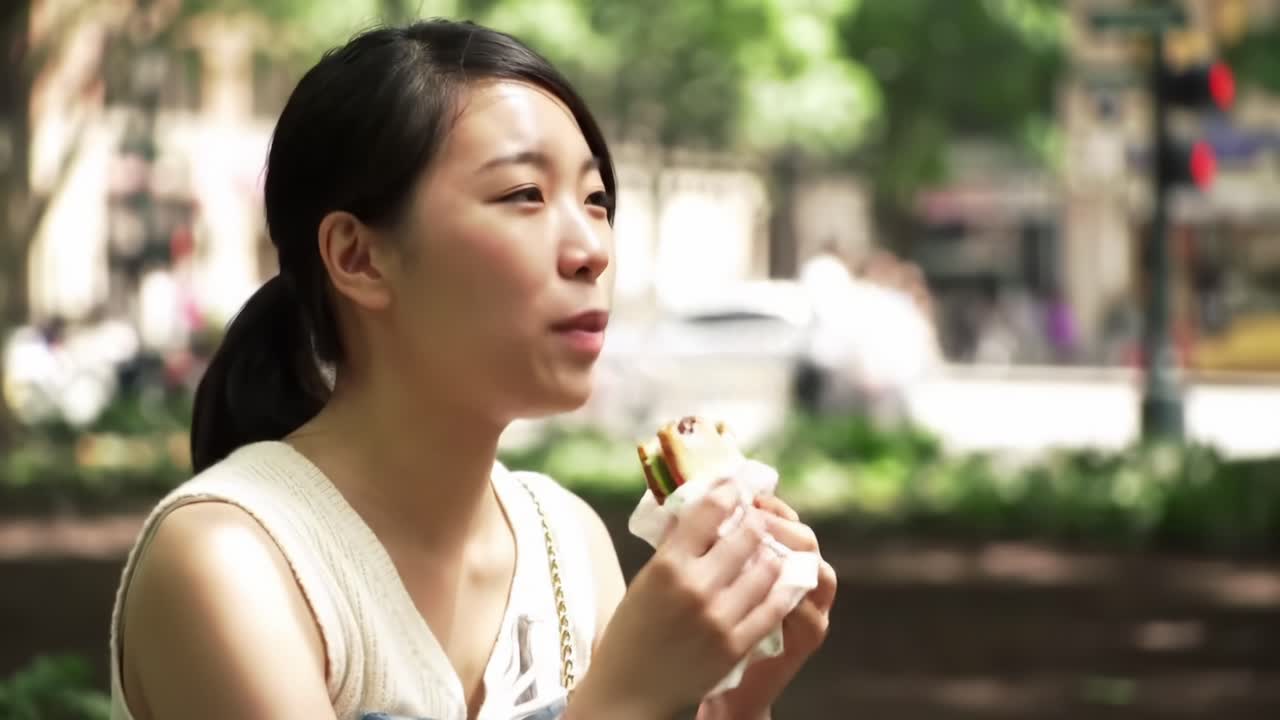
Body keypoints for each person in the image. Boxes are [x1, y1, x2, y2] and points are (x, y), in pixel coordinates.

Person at [107, 18, 836, 720]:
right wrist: (626, 698)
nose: (591, 249)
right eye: (525, 195)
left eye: (596, 200)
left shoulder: (566, 546)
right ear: (358, 257)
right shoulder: (228, 563)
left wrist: (735, 703)